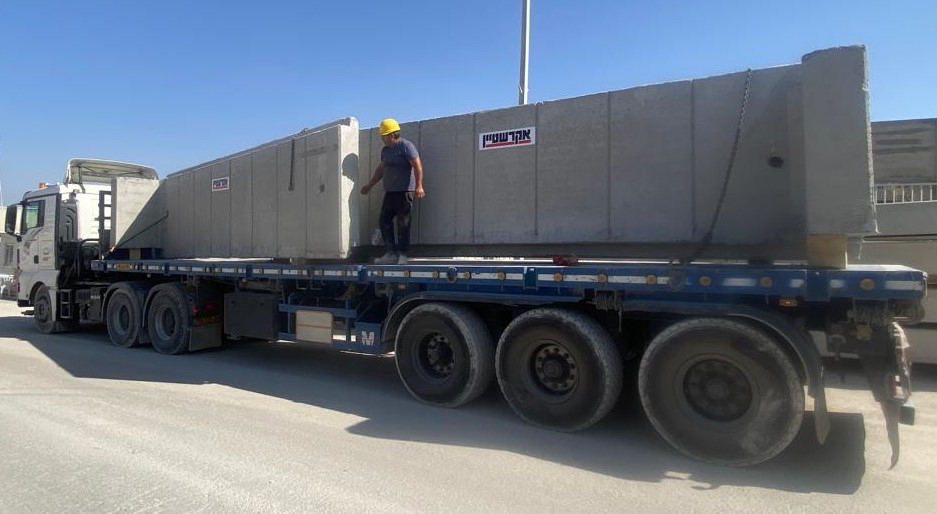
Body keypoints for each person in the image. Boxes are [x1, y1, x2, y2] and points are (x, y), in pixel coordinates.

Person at [360, 118, 425, 264]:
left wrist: (419, 186)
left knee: (403, 224)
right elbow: (381, 169)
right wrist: (370, 185)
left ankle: (402, 255)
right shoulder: (386, 150)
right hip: (390, 192)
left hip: (405, 192)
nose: (382, 139)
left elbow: (417, 166)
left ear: (391, 135)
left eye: (383, 136)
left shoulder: (406, 146)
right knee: (384, 221)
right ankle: (391, 253)